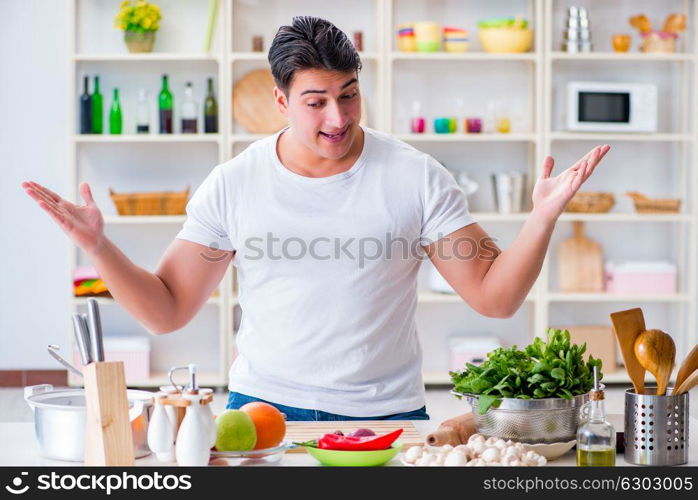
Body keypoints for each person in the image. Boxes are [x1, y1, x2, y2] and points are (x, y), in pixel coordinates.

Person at [23, 16, 609, 421]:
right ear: (281, 102)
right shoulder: (236, 182)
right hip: (260, 408)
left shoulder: (416, 175)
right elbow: (167, 308)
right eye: (316, 101)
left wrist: (543, 217)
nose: (338, 116)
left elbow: (494, 298)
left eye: (349, 94)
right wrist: (98, 246)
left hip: (387, 413)